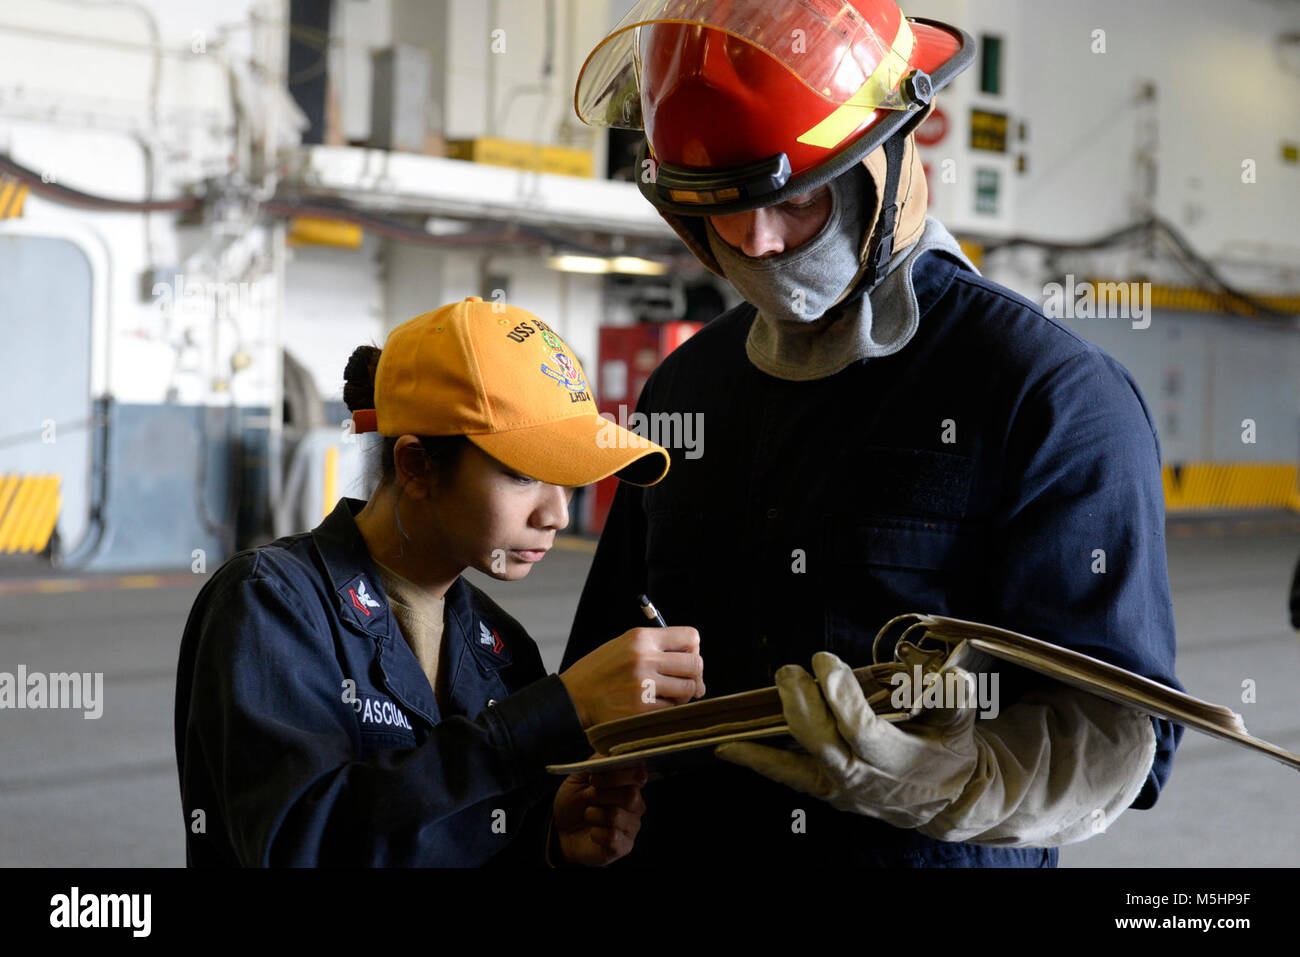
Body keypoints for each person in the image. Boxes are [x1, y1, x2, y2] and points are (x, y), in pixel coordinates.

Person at [562, 0, 1184, 866]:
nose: (757, 241)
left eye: (798, 200)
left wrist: (957, 777)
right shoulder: (684, 387)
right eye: (719, 207)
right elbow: (610, 648)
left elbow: (1121, 733)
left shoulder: (1049, 396)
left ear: (891, 156)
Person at [174, 296, 705, 866]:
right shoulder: (270, 604)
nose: (556, 515)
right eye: (524, 475)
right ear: (416, 465)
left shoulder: (502, 649)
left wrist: (546, 837)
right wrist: (554, 713)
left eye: (570, 481)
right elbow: (302, 846)